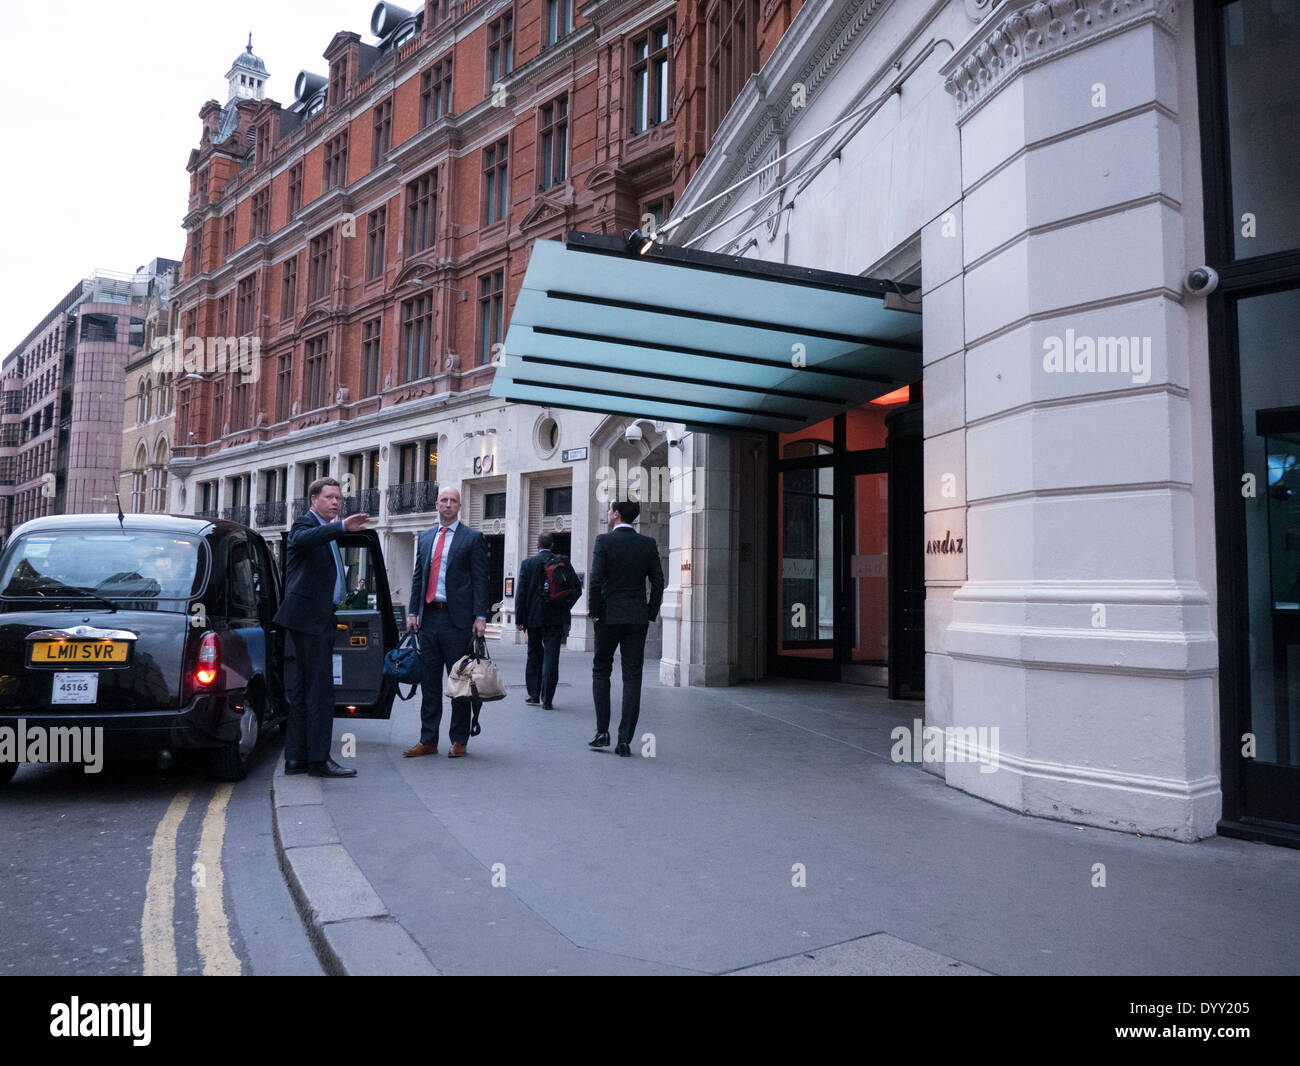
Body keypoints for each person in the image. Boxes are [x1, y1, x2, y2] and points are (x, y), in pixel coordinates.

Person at [273, 477, 370, 778]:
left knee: (303, 690)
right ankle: (318, 760)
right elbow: (302, 540)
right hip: (310, 620)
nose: (336, 503)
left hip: (314, 619)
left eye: (339, 498)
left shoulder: (321, 533)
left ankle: (296, 759)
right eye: (329, 497)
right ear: (313, 500)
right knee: (321, 692)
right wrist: (342, 527)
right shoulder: (305, 526)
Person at [402, 486, 489, 759]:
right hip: (429, 618)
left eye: (453, 501)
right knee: (429, 684)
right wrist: (413, 612)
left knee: (459, 683)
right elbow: (418, 577)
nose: (448, 505)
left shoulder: (472, 538)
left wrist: (480, 617)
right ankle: (427, 740)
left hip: (457, 621)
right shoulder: (426, 537)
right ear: (436, 504)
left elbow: (480, 580)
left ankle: (459, 740)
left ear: (459, 506)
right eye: (444, 500)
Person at [587, 500, 664, 757]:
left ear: (616, 514)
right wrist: (649, 612)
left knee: (601, 671)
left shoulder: (604, 541)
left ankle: (602, 732)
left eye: (609, 511)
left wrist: (595, 613)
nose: (608, 515)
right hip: (636, 619)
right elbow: (658, 581)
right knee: (632, 676)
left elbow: (596, 580)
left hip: (609, 617)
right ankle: (624, 740)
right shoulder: (647, 544)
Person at [515, 531, 580, 709]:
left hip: (534, 618)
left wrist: (519, 619)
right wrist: (565, 606)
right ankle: (548, 699)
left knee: (534, 654)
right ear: (552, 546)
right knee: (552, 657)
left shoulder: (528, 563)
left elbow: (520, 593)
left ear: (537, 546)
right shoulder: (563, 561)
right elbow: (577, 588)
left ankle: (534, 694)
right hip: (555, 617)